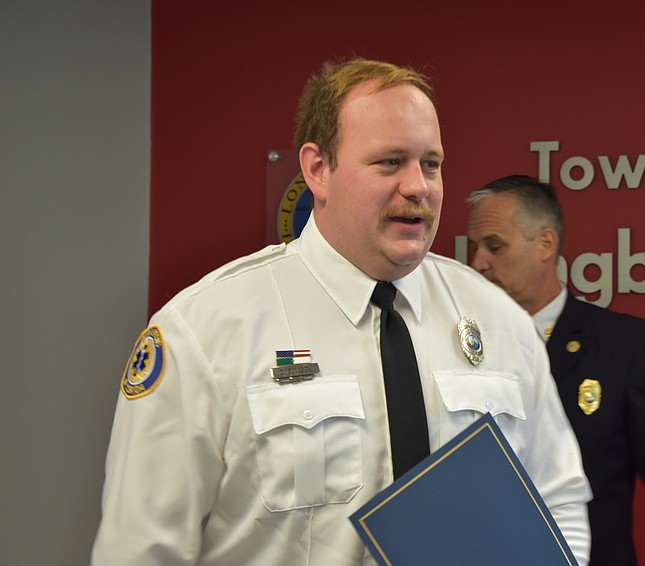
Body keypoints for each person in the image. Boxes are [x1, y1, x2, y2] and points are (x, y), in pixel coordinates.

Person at [92, 61, 591, 565]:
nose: (419, 186)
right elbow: (141, 549)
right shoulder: (203, 332)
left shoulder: (499, 321)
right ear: (317, 170)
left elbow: (558, 498)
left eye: (431, 164)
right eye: (391, 162)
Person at [466, 175, 645, 566]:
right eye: (474, 247)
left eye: (495, 246)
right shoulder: (458, 340)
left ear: (545, 244)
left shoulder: (621, 345)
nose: (478, 262)